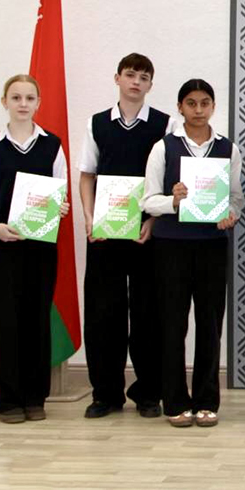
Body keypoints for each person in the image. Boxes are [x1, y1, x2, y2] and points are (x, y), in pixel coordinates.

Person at [0, 74, 70, 423]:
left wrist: (59, 207)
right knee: (4, 320)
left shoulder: (52, 146)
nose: (23, 104)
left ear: (38, 103)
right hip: (3, 247)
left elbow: (59, 191)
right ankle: (7, 399)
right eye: (16, 98)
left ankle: (34, 396)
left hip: (40, 248)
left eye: (29, 98)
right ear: (5, 102)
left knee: (36, 319)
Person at [141, 79, 241, 427]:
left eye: (205, 103)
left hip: (212, 245)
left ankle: (206, 401)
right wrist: (173, 201)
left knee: (210, 325)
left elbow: (236, 197)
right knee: (172, 324)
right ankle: (174, 401)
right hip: (171, 246)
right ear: (180, 107)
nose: (198, 110)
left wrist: (230, 215)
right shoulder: (164, 147)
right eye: (191, 103)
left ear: (213, 106)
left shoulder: (227, 148)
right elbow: (148, 201)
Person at [78, 53, 172, 420]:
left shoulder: (164, 124)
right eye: (130, 75)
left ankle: (148, 393)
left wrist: (153, 221)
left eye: (143, 77)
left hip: (147, 234)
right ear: (117, 78)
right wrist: (89, 218)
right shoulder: (97, 123)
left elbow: (167, 179)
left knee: (149, 313)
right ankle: (105, 394)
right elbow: (87, 175)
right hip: (105, 233)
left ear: (151, 85)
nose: (136, 82)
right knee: (103, 314)